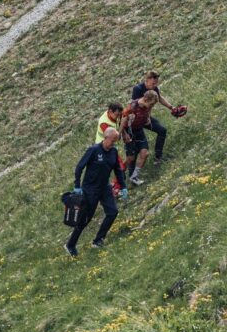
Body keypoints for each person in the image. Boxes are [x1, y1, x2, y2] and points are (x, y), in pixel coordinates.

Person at [65, 128, 128, 256]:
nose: (113, 144)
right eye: (112, 141)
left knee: (113, 212)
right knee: (85, 219)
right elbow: (79, 167)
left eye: (115, 141)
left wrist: (123, 186)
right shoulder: (94, 150)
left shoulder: (113, 152)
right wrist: (77, 185)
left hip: (104, 188)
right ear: (106, 138)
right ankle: (70, 245)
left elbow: (117, 169)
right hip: (90, 189)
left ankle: (98, 240)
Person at [131, 71, 178, 163]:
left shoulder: (154, 88)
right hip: (135, 120)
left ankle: (158, 157)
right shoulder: (138, 89)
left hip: (146, 118)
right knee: (134, 147)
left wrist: (171, 107)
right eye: (153, 83)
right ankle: (131, 166)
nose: (155, 85)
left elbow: (159, 98)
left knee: (162, 130)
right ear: (147, 80)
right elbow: (134, 106)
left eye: (156, 83)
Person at [121, 90, 159, 186]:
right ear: (145, 99)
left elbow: (148, 110)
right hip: (129, 132)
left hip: (139, 131)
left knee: (145, 153)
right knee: (130, 158)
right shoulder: (132, 106)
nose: (152, 106)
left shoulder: (148, 105)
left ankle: (134, 177)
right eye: (151, 104)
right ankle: (119, 173)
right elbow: (122, 120)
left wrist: (148, 118)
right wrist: (123, 134)